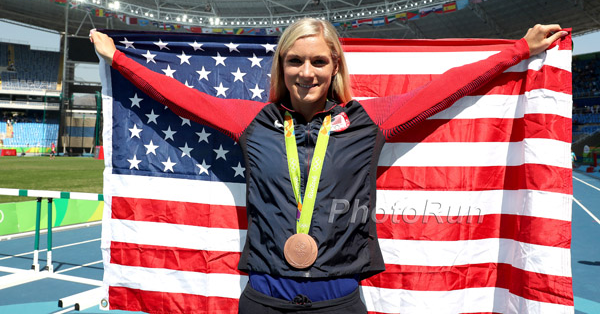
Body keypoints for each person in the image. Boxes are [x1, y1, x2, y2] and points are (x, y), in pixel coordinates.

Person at [91, 20, 566, 313]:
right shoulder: (250, 121)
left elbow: (445, 88)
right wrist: (119, 61)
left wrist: (519, 51)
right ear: (281, 66)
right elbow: (183, 98)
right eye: (295, 60)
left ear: (335, 65)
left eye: (318, 60)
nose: (306, 72)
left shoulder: (371, 119)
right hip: (263, 300)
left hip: (338, 303)